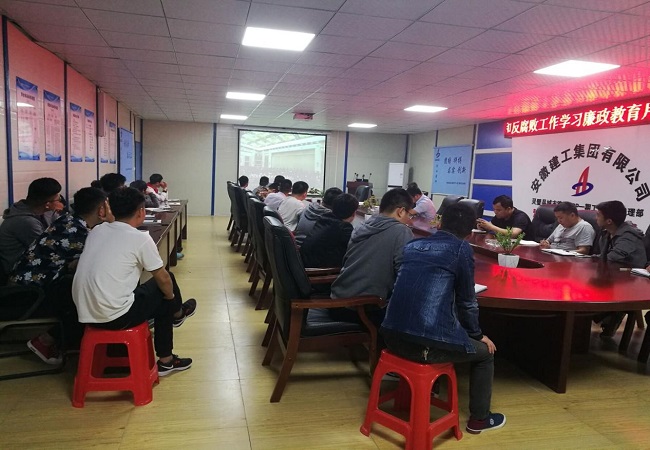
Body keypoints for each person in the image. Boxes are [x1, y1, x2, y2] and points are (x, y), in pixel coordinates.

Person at [381, 202, 506, 435]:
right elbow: (467, 302)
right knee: (485, 353)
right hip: (423, 346)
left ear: (439, 223)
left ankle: (431, 389)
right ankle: (480, 419)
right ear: (470, 232)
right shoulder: (461, 249)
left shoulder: (413, 245)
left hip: (390, 335)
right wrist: (478, 335)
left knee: (440, 320)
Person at [72, 187, 197, 376]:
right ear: (141, 212)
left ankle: (176, 318)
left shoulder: (96, 231)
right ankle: (168, 354)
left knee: (154, 289)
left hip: (84, 313)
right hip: (116, 317)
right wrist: (171, 299)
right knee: (166, 287)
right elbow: (162, 278)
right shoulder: (140, 238)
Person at [10, 187, 113, 363]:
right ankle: (46, 341)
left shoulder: (69, 220)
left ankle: (66, 340)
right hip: (31, 293)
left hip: (30, 284)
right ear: (101, 209)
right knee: (92, 297)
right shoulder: (78, 232)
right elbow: (94, 263)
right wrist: (113, 223)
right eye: (108, 205)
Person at [330, 189, 416, 325]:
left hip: (337, 301)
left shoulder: (362, 225)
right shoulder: (401, 231)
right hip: (361, 309)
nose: (409, 220)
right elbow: (405, 275)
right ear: (400, 211)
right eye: (409, 215)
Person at [593, 200, 648, 337]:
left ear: (609, 221)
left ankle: (611, 315)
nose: (595, 218)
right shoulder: (607, 232)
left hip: (632, 279)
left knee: (596, 289)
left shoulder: (628, 236)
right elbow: (604, 257)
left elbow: (613, 257)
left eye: (598, 215)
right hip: (612, 273)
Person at [0, 177, 62, 280]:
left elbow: (60, 228)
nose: (60, 201)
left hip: (35, 260)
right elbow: (47, 248)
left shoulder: (46, 212)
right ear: (47, 204)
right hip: (18, 271)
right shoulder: (25, 222)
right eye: (58, 199)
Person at [300, 193, 358, 268]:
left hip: (302, 264)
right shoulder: (345, 228)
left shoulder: (324, 218)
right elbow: (352, 251)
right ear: (354, 213)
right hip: (318, 271)